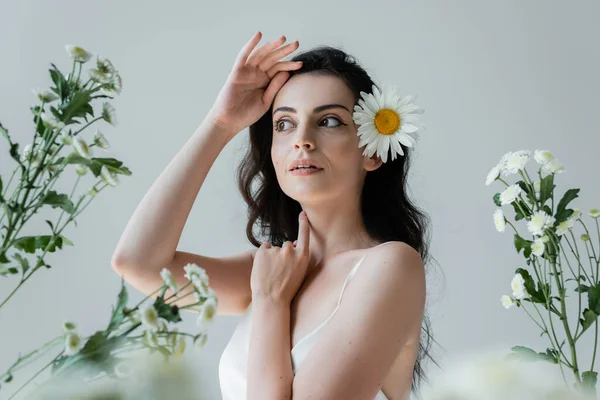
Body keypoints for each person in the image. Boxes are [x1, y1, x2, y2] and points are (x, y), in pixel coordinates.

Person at [111, 31, 437, 400]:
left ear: (373, 152)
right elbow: (136, 262)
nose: (302, 139)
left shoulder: (390, 266)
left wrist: (269, 302)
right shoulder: (273, 270)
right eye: (284, 124)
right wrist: (221, 124)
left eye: (329, 120)